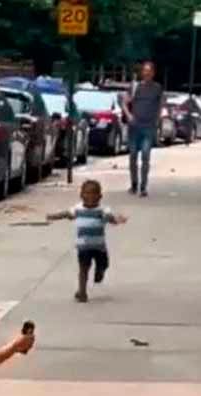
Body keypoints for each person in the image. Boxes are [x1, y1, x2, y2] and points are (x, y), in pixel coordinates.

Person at [47, 179, 128, 302]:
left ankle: (99, 272)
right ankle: (82, 292)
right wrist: (52, 216)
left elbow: (111, 218)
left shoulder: (103, 210)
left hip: (99, 246)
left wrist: (118, 219)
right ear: (81, 195)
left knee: (104, 264)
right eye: (87, 193)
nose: (90, 196)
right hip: (83, 246)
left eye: (93, 194)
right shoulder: (77, 209)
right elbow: (66, 214)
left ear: (100, 196)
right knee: (84, 269)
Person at [123, 61, 164, 197]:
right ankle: (134, 184)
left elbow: (160, 105)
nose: (146, 73)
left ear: (153, 73)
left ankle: (143, 186)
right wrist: (129, 115)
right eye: (144, 71)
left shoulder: (157, 88)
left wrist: (157, 121)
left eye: (149, 71)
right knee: (133, 155)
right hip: (134, 127)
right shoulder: (135, 87)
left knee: (145, 155)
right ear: (142, 73)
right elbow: (124, 102)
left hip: (148, 127)